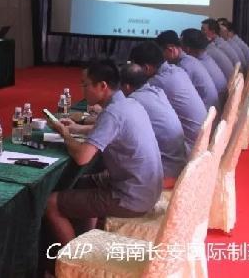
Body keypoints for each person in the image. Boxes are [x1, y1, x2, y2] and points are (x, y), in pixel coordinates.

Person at [44, 59, 163, 245]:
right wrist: (76, 128)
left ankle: (75, 258)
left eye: (85, 85)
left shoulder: (112, 113)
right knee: (78, 184)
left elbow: (82, 157)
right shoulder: (130, 104)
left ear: (102, 86)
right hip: (146, 189)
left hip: (132, 197)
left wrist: (65, 133)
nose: (82, 90)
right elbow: (107, 130)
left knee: (51, 203)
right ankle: (86, 239)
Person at [129, 41, 206, 151]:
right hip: (199, 141)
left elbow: (129, 102)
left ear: (146, 68)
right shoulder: (176, 70)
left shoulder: (157, 82)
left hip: (188, 147)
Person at [119, 63, 186, 187]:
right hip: (179, 165)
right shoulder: (157, 91)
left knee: (116, 155)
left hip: (164, 175)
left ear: (126, 87)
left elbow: (115, 129)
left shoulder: (134, 101)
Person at [156, 30, 219, 112]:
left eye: (162, 54)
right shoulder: (189, 60)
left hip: (208, 112)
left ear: (170, 50)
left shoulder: (184, 66)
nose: (163, 58)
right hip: (211, 110)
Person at [181, 28, 228, 98]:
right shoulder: (207, 57)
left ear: (187, 48)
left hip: (218, 102)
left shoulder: (193, 64)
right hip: (221, 98)